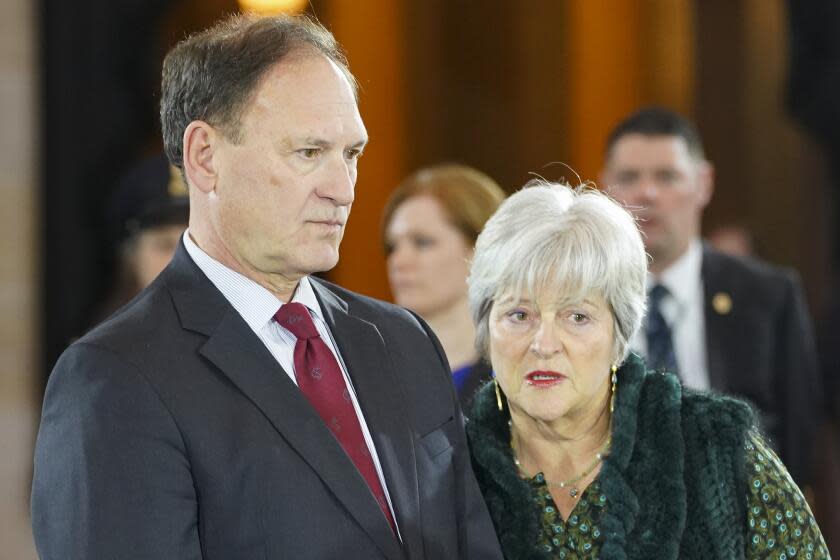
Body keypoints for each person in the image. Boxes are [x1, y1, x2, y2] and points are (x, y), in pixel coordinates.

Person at [31, 14, 502, 560]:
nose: (342, 188)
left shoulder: (401, 340)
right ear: (205, 157)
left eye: (351, 154)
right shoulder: (114, 379)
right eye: (308, 153)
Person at [465, 181, 829, 558]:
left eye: (577, 316)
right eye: (519, 315)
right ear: (486, 328)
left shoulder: (717, 448)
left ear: (618, 331)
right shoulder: (447, 474)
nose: (544, 343)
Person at [599, 107, 821, 487]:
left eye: (667, 177)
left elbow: (802, 448)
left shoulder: (768, 297)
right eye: (629, 177)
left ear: (704, 183)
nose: (647, 193)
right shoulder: (580, 299)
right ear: (604, 187)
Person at [382, 164, 505, 409]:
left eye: (422, 242)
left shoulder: (516, 376)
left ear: (480, 251)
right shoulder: (372, 376)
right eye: (392, 247)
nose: (398, 261)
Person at [95, 153, 189, 320]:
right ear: (131, 256)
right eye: (164, 245)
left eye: (195, 245)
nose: (182, 258)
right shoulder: (95, 345)